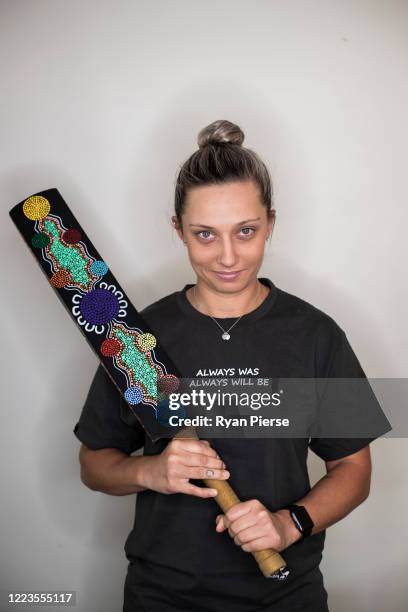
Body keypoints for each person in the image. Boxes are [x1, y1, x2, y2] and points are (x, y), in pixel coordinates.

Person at [74, 119, 391, 612]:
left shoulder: (316, 334)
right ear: (178, 230)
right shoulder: (134, 339)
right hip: (162, 597)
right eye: (205, 234)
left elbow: (354, 468)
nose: (228, 257)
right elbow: (94, 467)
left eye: (246, 231)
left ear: (271, 222)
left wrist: (291, 523)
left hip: (286, 597)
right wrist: (151, 472)